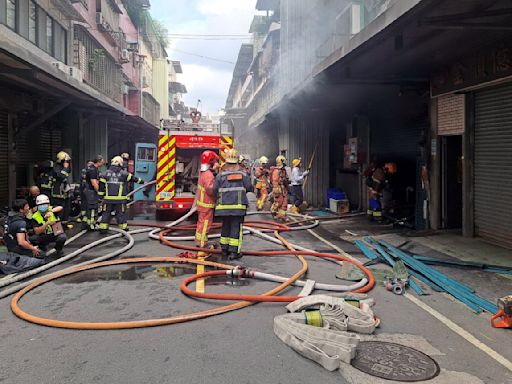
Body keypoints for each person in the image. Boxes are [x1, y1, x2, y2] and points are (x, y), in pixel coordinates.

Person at [213, 148, 252, 260]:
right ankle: (234, 252)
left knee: (225, 226)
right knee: (236, 228)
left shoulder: (220, 176)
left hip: (223, 208)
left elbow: (214, 189)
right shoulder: (243, 175)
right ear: (237, 162)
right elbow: (249, 187)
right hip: (238, 208)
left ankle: (224, 250)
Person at [98, 156, 145, 233]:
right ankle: (123, 229)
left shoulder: (104, 174)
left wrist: (100, 198)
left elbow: (101, 188)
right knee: (120, 214)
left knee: (106, 213)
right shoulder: (124, 174)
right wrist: (143, 182)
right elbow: (134, 179)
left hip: (108, 200)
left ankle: (103, 229)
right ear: (120, 163)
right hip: (120, 200)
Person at [195, 150, 220, 254]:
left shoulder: (203, 172)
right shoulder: (208, 174)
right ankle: (202, 243)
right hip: (207, 203)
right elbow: (210, 189)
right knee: (205, 223)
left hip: (202, 203)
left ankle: (199, 241)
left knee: (201, 223)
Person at [82, 156, 104, 230]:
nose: (103, 162)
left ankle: (86, 223)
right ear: (98, 161)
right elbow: (94, 183)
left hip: (89, 191)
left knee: (88, 207)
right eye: (102, 161)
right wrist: (99, 192)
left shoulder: (93, 169)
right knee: (92, 207)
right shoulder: (93, 170)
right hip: (91, 191)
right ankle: (91, 225)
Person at [51, 151, 72, 226]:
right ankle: (57, 226)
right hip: (58, 192)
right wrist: (65, 168)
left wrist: (67, 166)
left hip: (65, 191)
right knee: (60, 210)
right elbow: (61, 176)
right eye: (65, 161)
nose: (67, 162)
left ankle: (64, 225)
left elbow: (68, 172)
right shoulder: (56, 167)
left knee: (67, 208)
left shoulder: (64, 166)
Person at [271, 155, 289, 221]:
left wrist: (286, 181)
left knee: (285, 203)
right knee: (279, 202)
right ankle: (273, 211)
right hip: (278, 189)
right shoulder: (276, 171)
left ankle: (282, 215)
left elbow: (285, 178)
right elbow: (274, 181)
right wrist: (276, 190)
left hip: (284, 189)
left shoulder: (283, 170)